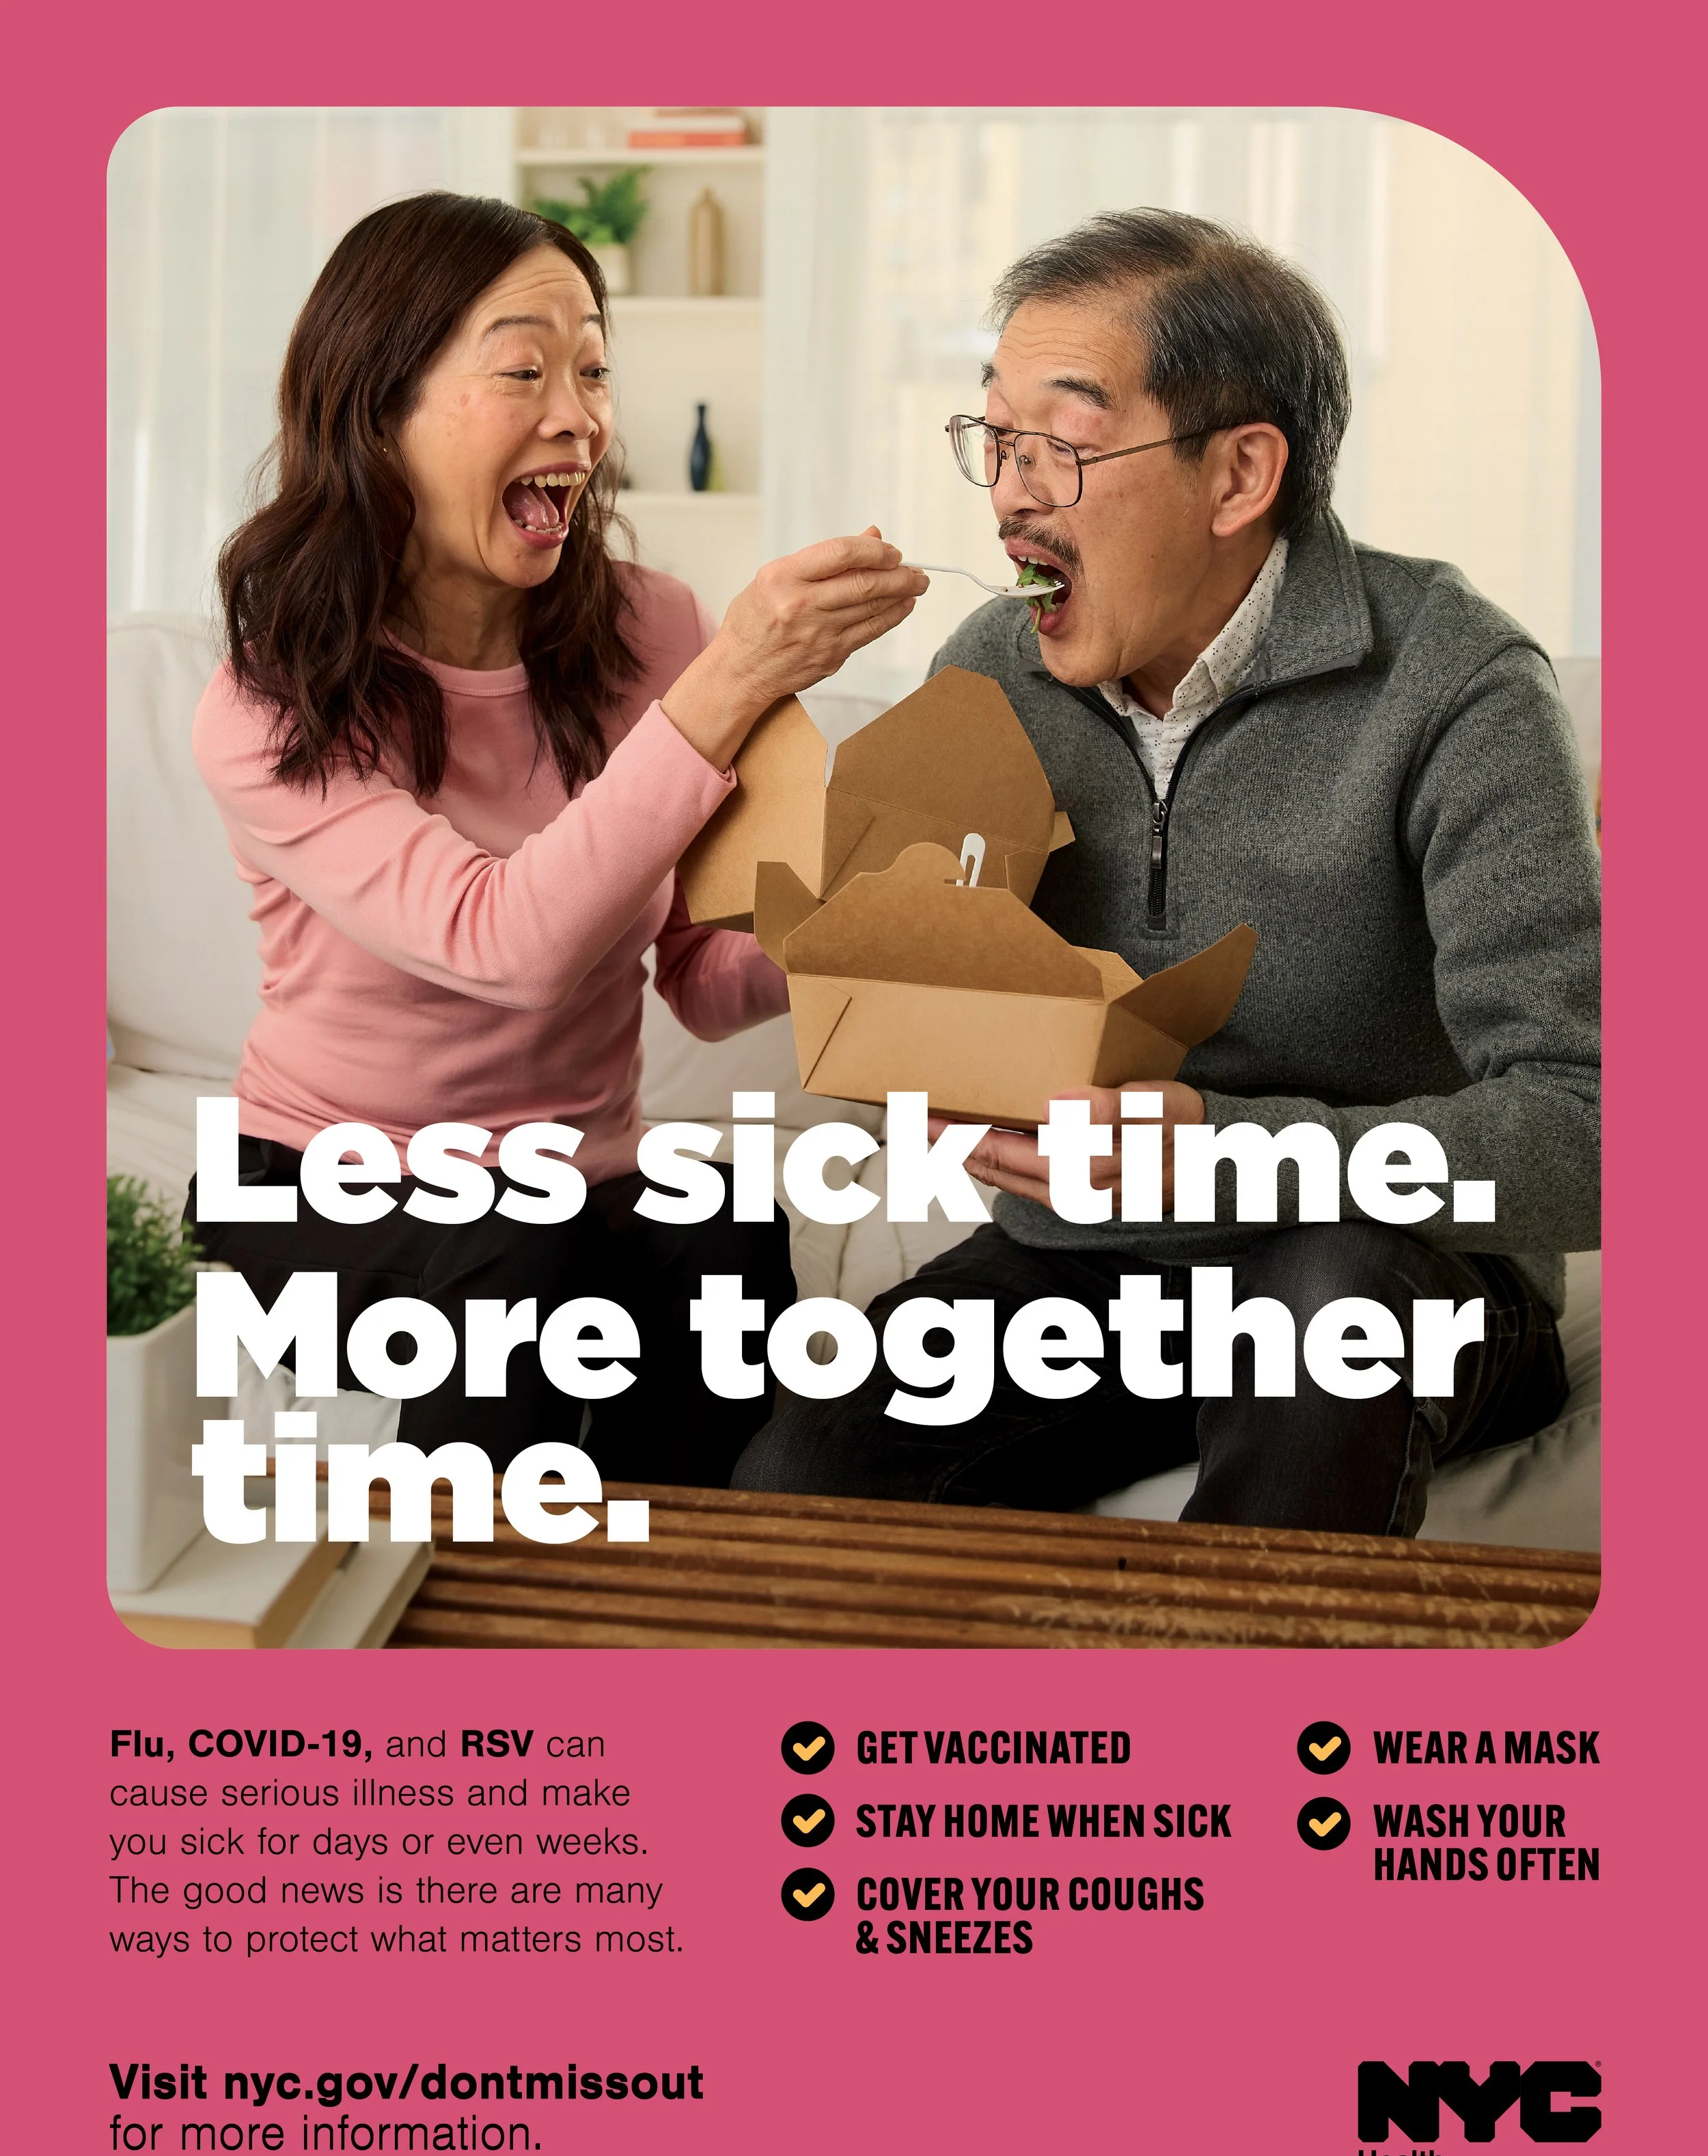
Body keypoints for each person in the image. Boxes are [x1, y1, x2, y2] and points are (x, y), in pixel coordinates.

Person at [735, 208, 1599, 1536]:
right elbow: (934, 1001)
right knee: (806, 1465)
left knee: (1324, 1315)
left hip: (1388, 1272)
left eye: (1063, 445)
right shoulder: (990, 666)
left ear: (1238, 473)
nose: (1010, 491)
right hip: (1092, 1270)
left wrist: (1216, 1148)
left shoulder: (1454, 683)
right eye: (995, 439)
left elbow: (1585, 1133)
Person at [187, 191, 926, 1485]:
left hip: (574, 1177)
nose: (579, 415)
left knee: (728, 1237)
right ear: (378, 408)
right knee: (518, 1257)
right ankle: (478, 1647)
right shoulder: (273, 695)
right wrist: (728, 687)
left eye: (593, 369)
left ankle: (674, 1614)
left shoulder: (653, 631)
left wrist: (881, 912)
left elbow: (699, 974)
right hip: (318, 1180)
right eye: (523, 367)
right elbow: (503, 941)